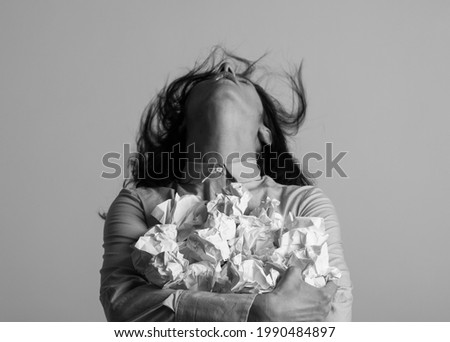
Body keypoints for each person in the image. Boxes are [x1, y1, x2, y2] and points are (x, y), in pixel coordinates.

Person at [99, 48, 353, 321]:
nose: (227, 68)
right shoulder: (137, 203)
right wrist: (257, 311)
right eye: (211, 78)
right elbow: (122, 308)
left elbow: (333, 318)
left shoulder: (305, 203)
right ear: (184, 123)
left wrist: (179, 304)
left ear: (264, 132)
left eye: (243, 82)